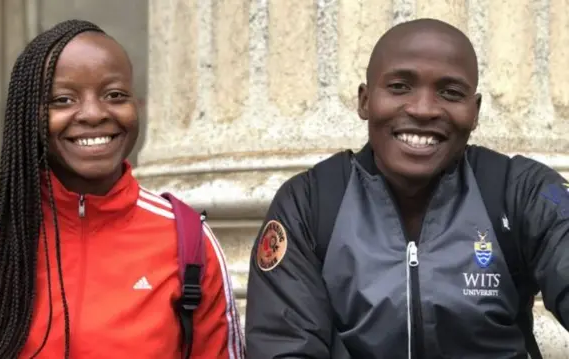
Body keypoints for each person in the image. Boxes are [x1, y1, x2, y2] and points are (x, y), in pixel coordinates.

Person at [244, 18, 569, 358]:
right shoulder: (308, 206)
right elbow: (283, 347)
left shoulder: (521, 192)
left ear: (475, 113)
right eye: (400, 87)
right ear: (365, 101)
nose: (423, 109)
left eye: (450, 93)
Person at [0, 20, 244, 358]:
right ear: (27, 115)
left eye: (115, 95)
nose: (93, 114)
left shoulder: (187, 241)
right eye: (63, 100)